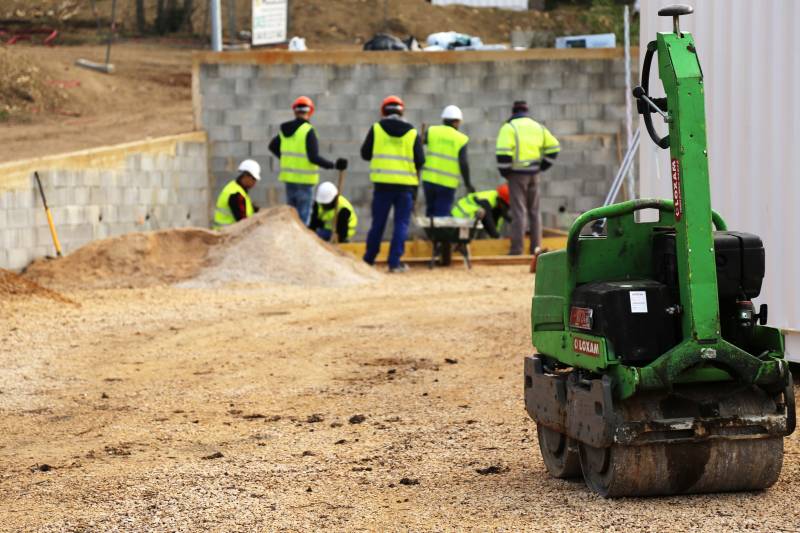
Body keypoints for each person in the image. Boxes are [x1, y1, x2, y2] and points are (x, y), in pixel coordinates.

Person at [360, 95, 425, 273]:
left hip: (382, 185)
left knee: (378, 223)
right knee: (401, 224)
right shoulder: (412, 132)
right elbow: (420, 160)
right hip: (405, 187)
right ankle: (394, 263)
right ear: (402, 111)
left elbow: (365, 154)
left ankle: (369, 259)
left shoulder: (376, 129)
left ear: (383, 111)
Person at [268, 96, 347, 224]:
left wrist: (287, 160)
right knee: (303, 220)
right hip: (304, 182)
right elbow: (313, 157)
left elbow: (272, 146)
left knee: (291, 220)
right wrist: (334, 165)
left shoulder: (285, 130)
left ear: (295, 111)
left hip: (289, 180)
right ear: (310, 112)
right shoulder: (308, 131)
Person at [495, 100, 560, 255]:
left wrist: (506, 173)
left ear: (513, 112)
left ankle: (517, 249)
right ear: (526, 111)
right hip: (534, 174)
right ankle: (536, 249)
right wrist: (542, 166)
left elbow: (503, 153)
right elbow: (554, 147)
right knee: (534, 211)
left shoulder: (509, 128)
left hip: (516, 175)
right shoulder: (538, 127)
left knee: (519, 211)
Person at [421, 105, 474, 217]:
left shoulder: (432, 131)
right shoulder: (461, 138)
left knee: (430, 212)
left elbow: (419, 144)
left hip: (428, 180)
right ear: (456, 122)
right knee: (442, 214)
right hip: (447, 183)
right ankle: (440, 235)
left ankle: (431, 234)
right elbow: (463, 163)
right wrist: (467, 183)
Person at [212, 159, 261, 230]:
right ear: (245, 176)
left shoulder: (235, 187)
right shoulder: (236, 194)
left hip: (226, 231)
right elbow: (242, 221)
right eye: (253, 179)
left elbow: (244, 210)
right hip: (227, 234)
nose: (254, 182)